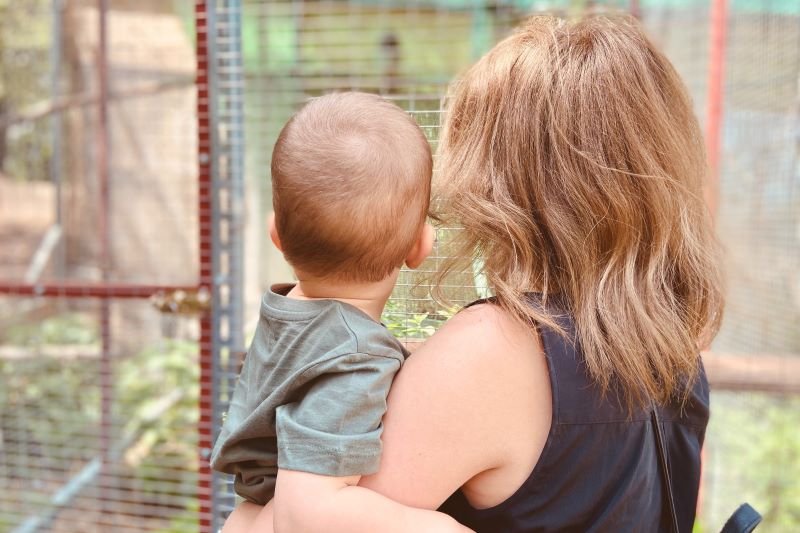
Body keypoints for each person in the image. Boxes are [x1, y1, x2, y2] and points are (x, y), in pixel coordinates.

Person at [225, 13, 724, 533]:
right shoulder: (674, 349)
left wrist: (243, 518)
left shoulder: (492, 349)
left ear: (497, 177)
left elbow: (300, 520)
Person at [210, 92, 472, 532]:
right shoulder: (355, 359)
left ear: (277, 233)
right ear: (420, 247)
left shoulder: (287, 312)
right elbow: (309, 513)